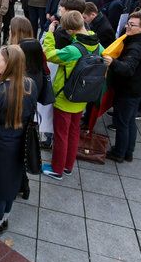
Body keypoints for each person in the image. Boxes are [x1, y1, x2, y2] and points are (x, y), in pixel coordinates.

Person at [0, 45, 38, 234]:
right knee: (11, 183)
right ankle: (5, 216)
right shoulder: (30, 85)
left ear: (9, 65)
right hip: (20, 144)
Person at [42, 10, 103, 180]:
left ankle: (57, 169)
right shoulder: (97, 44)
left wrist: (49, 34)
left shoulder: (73, 50)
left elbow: (49, 54)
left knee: (61, 134)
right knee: (74, 131)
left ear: (70, 30)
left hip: (65, 96)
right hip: (83, 96)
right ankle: (68, 166)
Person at [102, 12, 141, 162]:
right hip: (138, 88)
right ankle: (128, 152)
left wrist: (112, 62)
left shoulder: (135, 46)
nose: (127, 27)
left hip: (128, 90)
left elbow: (128, 68)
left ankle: (118, 153)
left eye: (132, 25)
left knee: (122, 123)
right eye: (128, 23)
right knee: (130, 121)